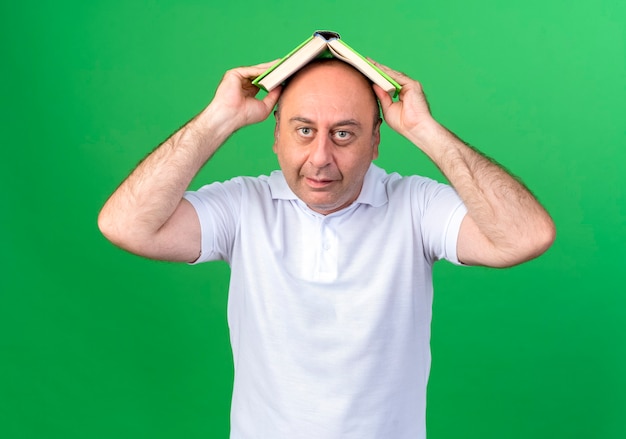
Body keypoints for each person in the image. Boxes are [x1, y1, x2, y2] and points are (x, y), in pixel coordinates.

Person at [98, 57, 555, 439]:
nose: (320, 158)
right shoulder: (243, 205)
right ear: (276, 137)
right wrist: (220, 118)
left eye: (343, 134)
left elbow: (524, 237)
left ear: (375, 142)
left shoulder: (415, 205)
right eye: (303, 130)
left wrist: (424, 129)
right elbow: (126, 225)